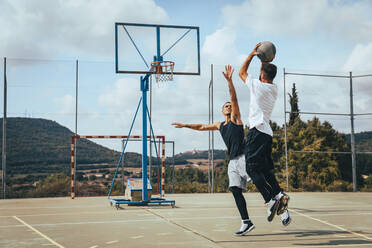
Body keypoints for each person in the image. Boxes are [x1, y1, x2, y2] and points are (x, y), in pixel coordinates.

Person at [172, 65, 255, 236]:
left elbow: (234, 98)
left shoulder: (236, 119)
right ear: (221, 110)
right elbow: (201, 126)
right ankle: (246, 221)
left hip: (243, 158)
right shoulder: (220, 125)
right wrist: (185, 125)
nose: (228, 107)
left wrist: (230, 81)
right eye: (225, 106)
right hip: (232, 161)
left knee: (260, 183)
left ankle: (278, 199)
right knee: (235, 190)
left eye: (229, 106)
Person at [239, 43, 291, 226]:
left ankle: (270, 200)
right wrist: (264, 61)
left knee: (251, 169)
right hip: (267, 133)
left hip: (257, 131)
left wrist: (252, 54)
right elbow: (263, 75)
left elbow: (241, 72)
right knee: (265, 169)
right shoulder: (273, 88)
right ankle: (278, 193)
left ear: (262, 75)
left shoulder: (256, 86)